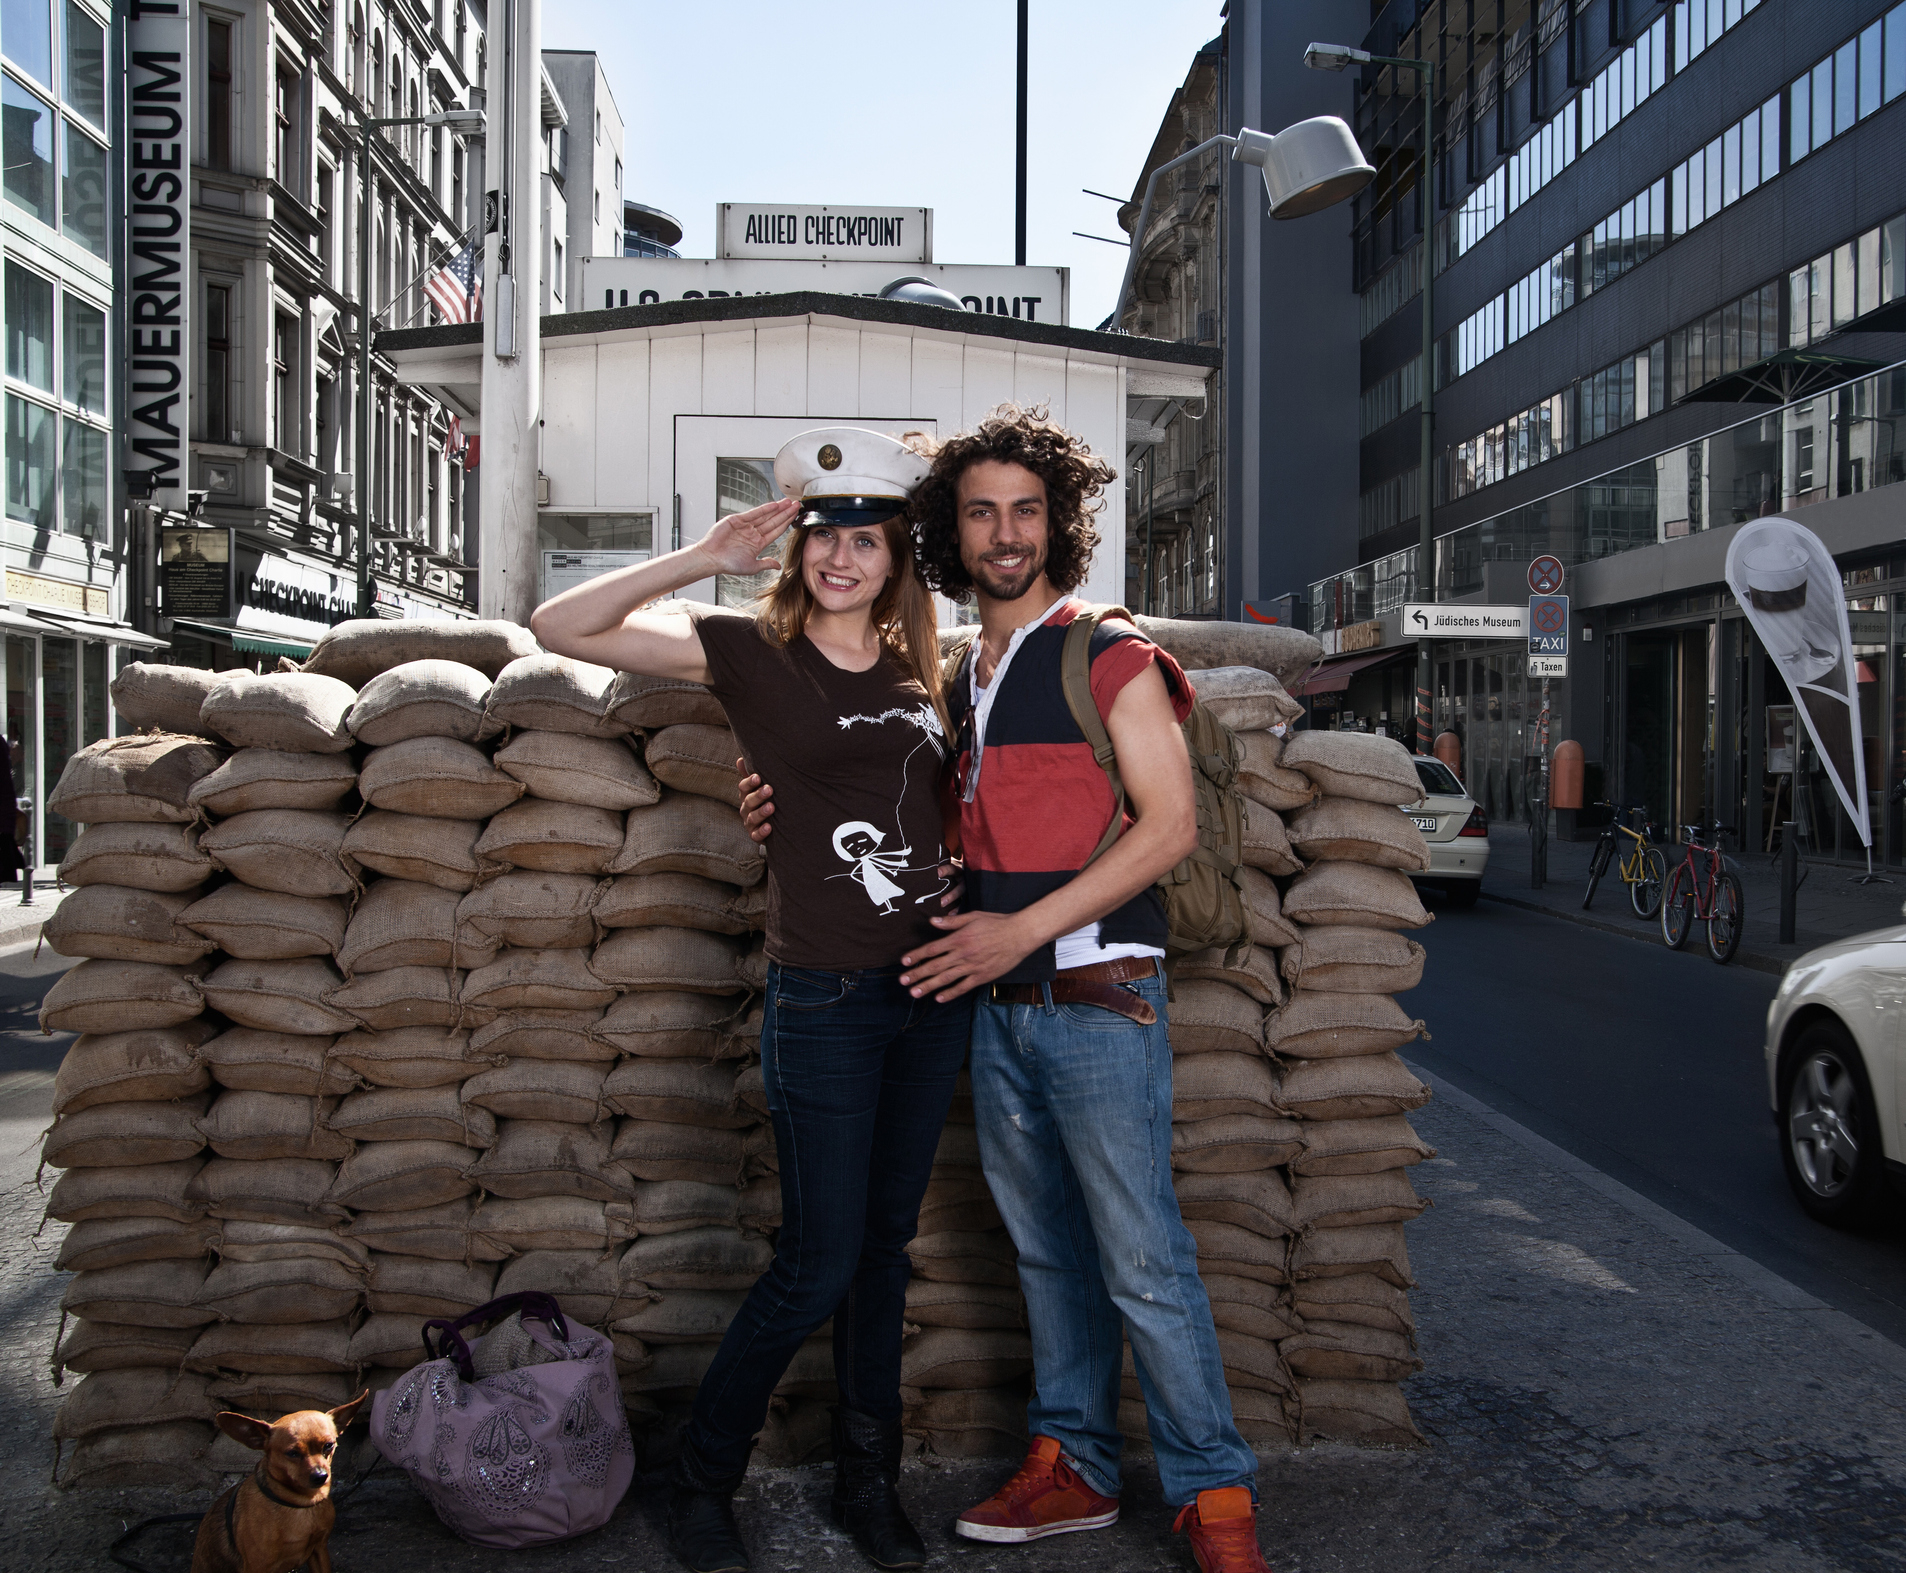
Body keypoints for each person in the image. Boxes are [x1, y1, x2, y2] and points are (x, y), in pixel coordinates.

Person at [743, 406, 1271, 1573]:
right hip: (987, 1012)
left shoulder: (1107, 651)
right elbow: (895, 810)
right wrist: (778, 807)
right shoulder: (953, 675)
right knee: (1044, 1252)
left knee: (1141, 1255)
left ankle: (1214, 1496)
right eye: (979, 510)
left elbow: (1169, 825)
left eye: (1026, 509)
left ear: (1060, 524)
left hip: (1097, 999)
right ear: (947, 529)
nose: (1005, 531)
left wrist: (1018, 932)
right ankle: (1072, 1459)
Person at [530, 427, 969, 1573]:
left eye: (865, 540)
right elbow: (557, 629)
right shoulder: (746, 647)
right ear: (798, 545)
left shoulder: (929, 663)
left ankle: (868, 1484)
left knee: (882, 1253)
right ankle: (700, 1478)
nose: (842, 559)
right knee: (815, 1261)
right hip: (822, 997)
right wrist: (704, 552)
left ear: (892, 557)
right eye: (825, 535)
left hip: (930, 992)